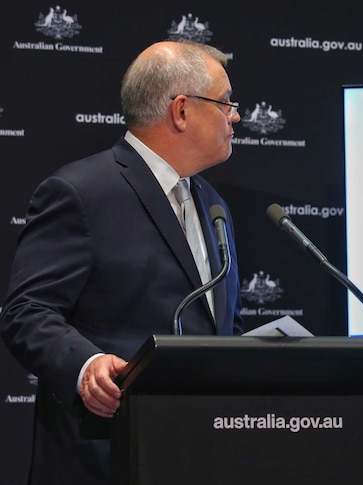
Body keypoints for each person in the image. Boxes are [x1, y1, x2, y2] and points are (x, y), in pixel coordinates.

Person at [0, 40, 244, 485]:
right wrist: (86, 365)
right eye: (225, 102)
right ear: (182, 111)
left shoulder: (213, 204)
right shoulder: (82, 192)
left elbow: (215, 328)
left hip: (200, 454)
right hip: (107, 457)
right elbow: (26, 313)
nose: (236, 115)